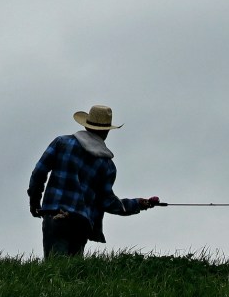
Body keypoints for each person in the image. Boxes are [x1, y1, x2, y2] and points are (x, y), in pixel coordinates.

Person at [28, 105, 159, 258]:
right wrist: (138, 204)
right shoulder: (107, 165)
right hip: (81, 222)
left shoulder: (62, 143)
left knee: (56, 271)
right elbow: (107, 202)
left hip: (56, 215)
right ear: (107, 131)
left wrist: (35, 202)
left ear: (86, 124)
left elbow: (39, 172)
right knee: (74, 273)